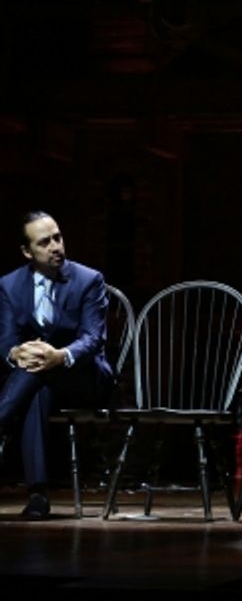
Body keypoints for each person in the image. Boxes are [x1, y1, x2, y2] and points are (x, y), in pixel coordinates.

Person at [0, 211, 112, 519]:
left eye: (58, 237)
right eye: (45, 242)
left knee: (37, 372)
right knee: (36, 383)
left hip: (83, 377)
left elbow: (92, 339)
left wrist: (60, 356)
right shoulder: (9, 285)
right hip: (40, 381)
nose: (56, 247)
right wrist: (16, 353)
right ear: (27, 252)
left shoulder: (89, 280)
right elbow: (6, 340)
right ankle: (38, 495)